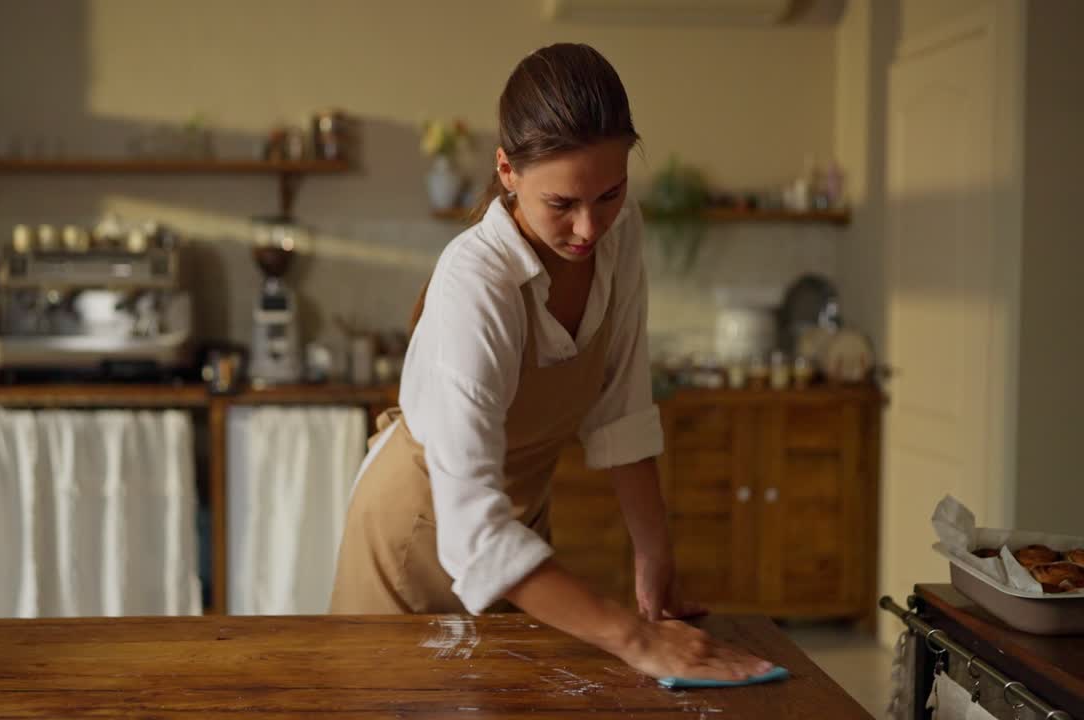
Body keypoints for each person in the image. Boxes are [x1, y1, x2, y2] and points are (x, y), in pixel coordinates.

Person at [330, 43, 771, 682]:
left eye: (610, 193)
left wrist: (655, 559)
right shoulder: (476, 282)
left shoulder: (620, 232)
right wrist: (637, 641)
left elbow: (621, 405)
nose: (590, 228)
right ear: (506, 171)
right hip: (416, 540)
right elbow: (473, 530)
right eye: (562, 204)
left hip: (517, 535)